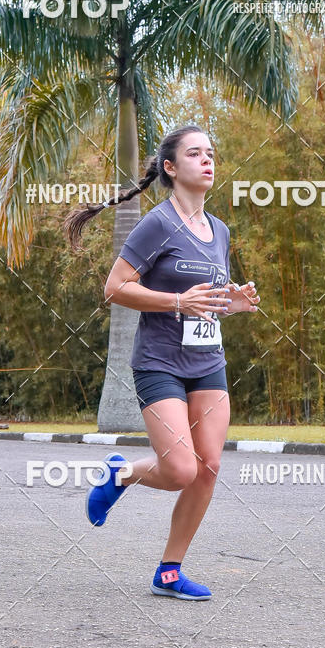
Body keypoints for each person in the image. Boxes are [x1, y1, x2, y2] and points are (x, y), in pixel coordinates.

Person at [64, 124, 259, 600]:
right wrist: (176, 303)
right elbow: (115, 288)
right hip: (160, 362)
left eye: (211, 153)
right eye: (195, 154)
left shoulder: (220, 231)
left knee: (209, 466)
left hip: (207, 361)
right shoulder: (158, 223)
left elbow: (204, 301)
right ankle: (121, 474)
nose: (208, 160)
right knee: (179, 470)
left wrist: (230, 304)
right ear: (171, 168)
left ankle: (169, 572)